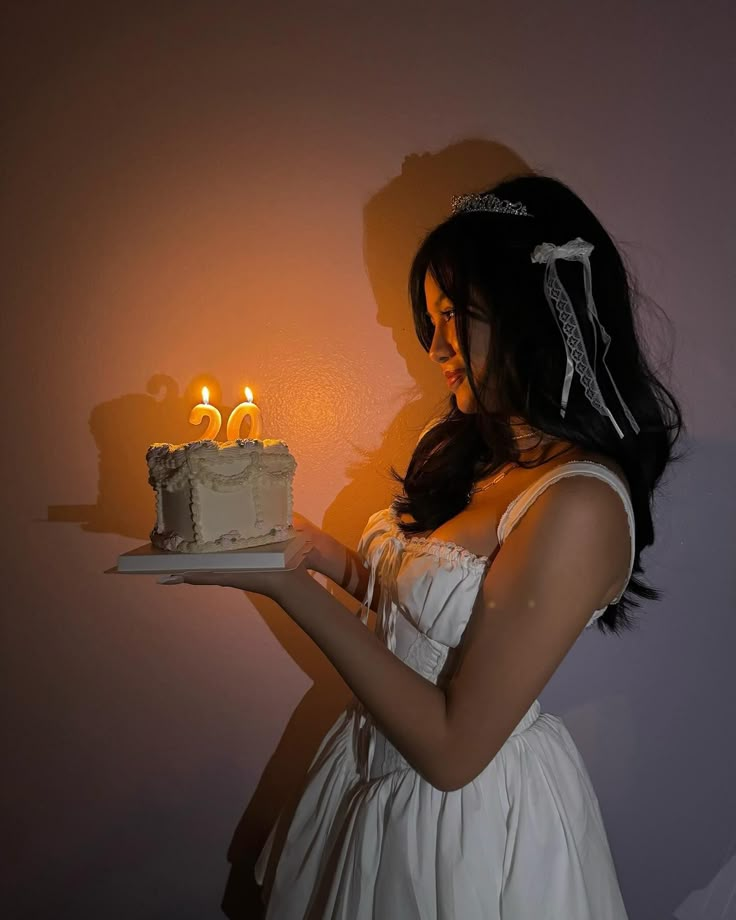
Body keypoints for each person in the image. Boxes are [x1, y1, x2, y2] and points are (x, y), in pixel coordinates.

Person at [163, 172, 684, 918]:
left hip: (463, 829)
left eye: (456, 315)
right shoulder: (489, 458)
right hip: (372, 781)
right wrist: (318, 554)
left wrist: (285, 586)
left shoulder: (581, 504)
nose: (434, 344)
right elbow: (426, 618)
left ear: (530, 315)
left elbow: (451, 750)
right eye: (432, 318)